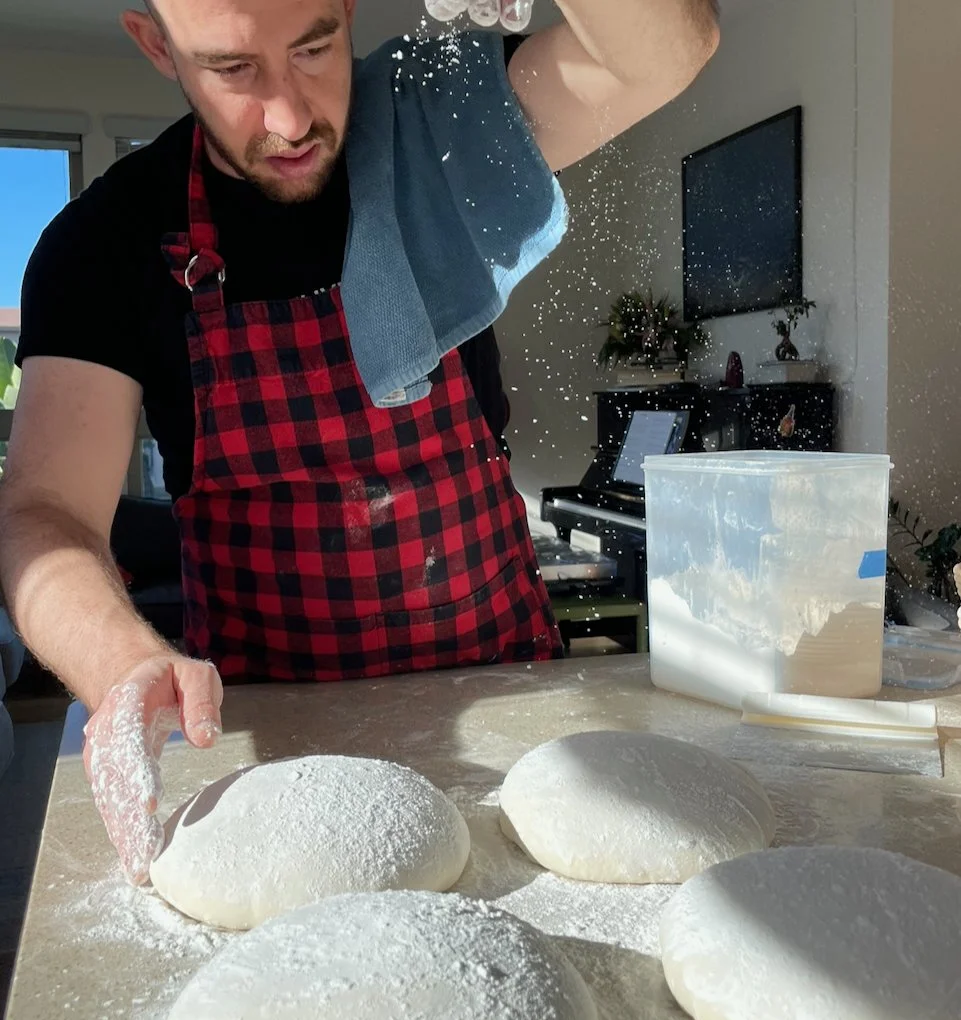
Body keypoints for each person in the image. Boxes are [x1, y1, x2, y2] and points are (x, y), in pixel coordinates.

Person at [0, 0, 720, 883]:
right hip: (277, 754)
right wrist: (124, 664)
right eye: (234, 70)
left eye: (315, 46)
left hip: (510, 699)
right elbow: (44, 513)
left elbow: (668, 51)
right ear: (157, 47)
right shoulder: (105, 245)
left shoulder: (432, 122)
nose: (291, 117)